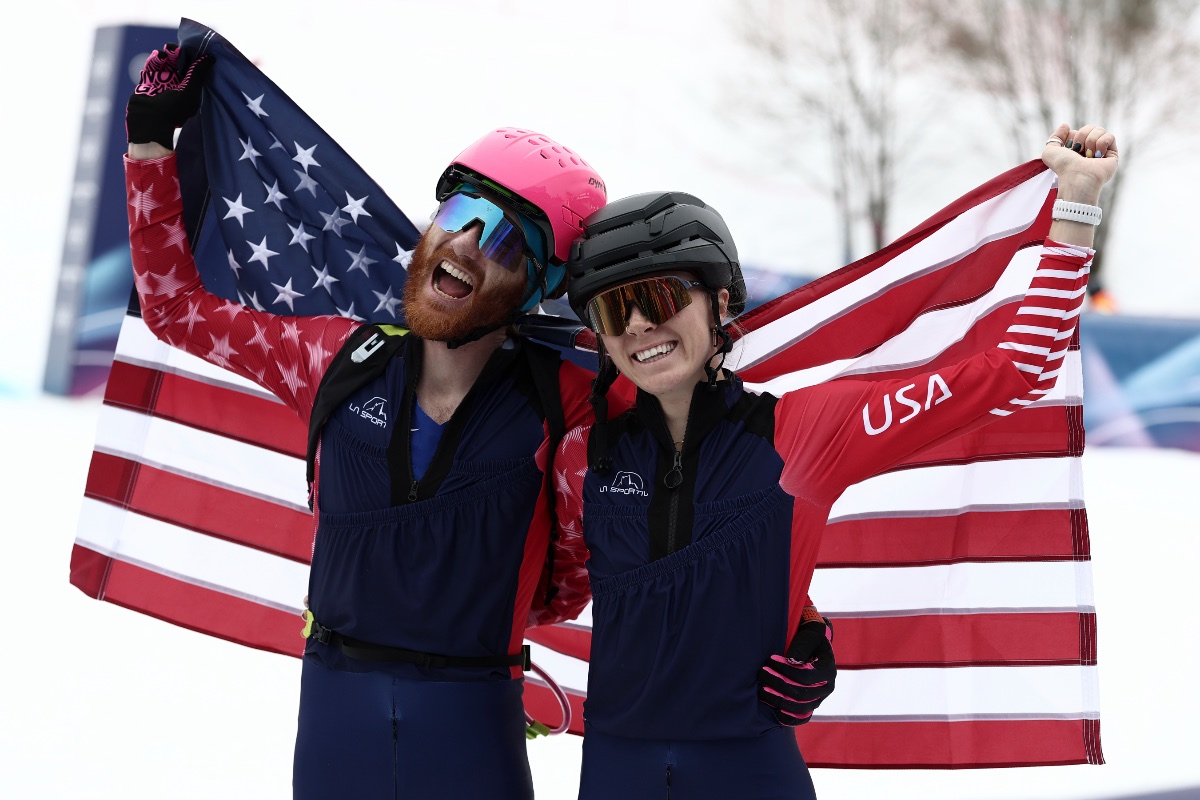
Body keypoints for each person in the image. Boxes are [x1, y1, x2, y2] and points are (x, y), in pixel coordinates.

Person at [543, 123, 1117, 799]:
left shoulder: (805, 431)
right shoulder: (584, 450)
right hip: (616, 770)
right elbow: (554, 584)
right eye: (614, 309)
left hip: (748, 770)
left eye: (662, 298)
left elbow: (1021, 366)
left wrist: (1076, 203)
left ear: (721, 301)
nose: (639, 324)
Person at [123, 43, 618, 800]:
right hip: (335, 712)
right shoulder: (333, 357)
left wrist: (801, 626)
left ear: (540, 286)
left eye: (506, 237)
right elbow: (174, 309)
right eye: (458, 213)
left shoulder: (572, 405)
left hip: (472, 720)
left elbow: (695, 496)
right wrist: (152, 140)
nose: (464, 244)